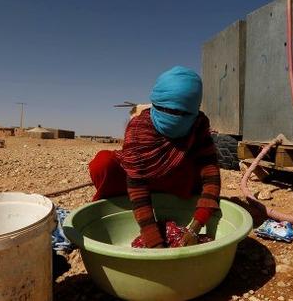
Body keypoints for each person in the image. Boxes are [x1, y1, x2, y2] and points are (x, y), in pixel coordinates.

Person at [89, 66, 221, 248]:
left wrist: (196, 226)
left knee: (196, 168)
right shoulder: (138, 129)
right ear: (156, 104)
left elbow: (211, 174)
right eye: (168, 111)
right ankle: (119, 204)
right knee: (103, 163)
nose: (175, 117)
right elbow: (137, 184)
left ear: (195, 110)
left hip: (176, 184)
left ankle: (173, 204)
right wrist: (153, 240)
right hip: (138, 184)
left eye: (183, 113)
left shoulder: (198, 126)